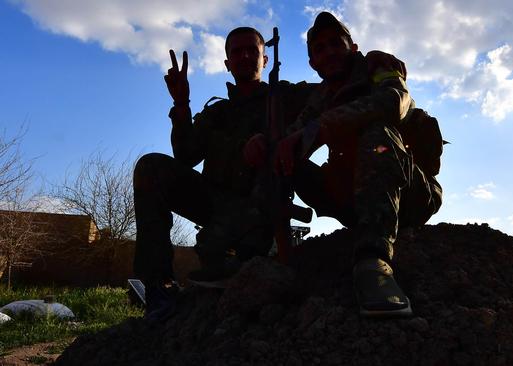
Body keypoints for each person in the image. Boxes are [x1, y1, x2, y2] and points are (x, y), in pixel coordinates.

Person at [267, 12, 443, 316]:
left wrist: (321, 127)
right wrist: (273, 145)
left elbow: (392, 103)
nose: (329, 52)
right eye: (319, 48)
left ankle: (374, 264)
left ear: (353, 46)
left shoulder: (377, 68)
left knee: (377, 134)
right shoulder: (321, 97)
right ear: (312, 62)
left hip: (411, 193)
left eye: (337, 43)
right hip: (356, 198)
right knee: (284, 160)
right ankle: (267, 255)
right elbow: (295, 134)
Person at [133, 27, 308, 320]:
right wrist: (181, 105)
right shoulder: (217, 112)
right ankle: (160, 288)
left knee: (231, 264)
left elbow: (332, 89)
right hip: (213, 203)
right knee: (150, 167)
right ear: (227, 64)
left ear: (265, 59)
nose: (245, 56)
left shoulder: (286, 97)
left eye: (252, 50)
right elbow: (186, 155)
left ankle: (245, 259)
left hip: (260, 206)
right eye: (236, 52)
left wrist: (371, 62)